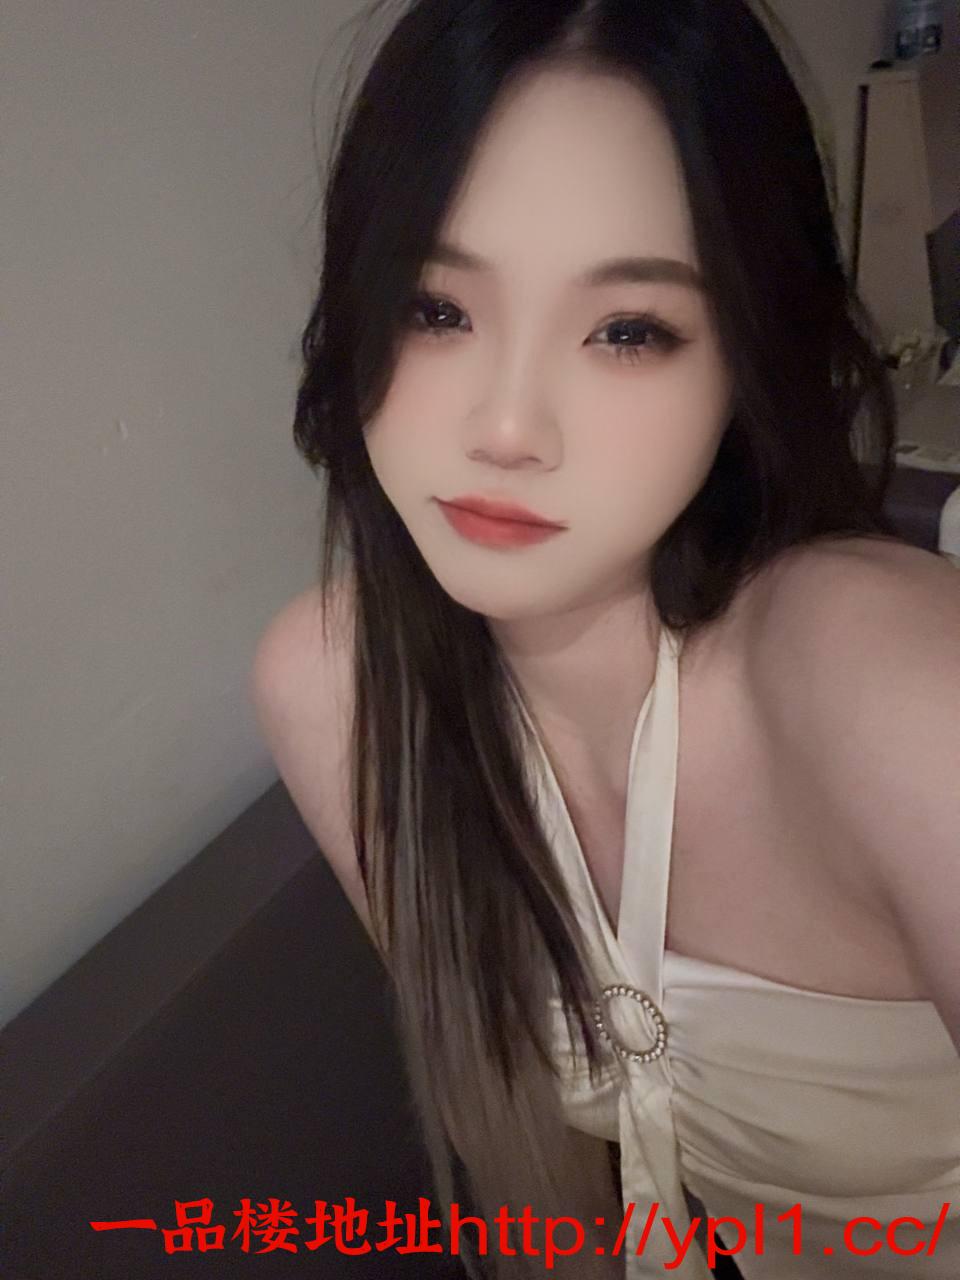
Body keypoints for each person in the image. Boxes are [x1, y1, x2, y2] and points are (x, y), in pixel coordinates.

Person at [251, 1, 960, 1275]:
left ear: (747, 356)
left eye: (628, 329)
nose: (506, 426)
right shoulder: (338, 688)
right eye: (435, 308)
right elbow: (545, 1198)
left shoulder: (884, 679)